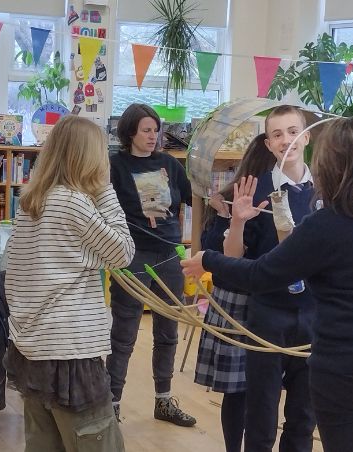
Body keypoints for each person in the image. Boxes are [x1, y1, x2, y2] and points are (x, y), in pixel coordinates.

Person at [182, 116, 353, 452]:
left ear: (330, 165)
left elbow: (262, 274)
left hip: (346, 374)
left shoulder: (325, 225)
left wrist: (208, 259)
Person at [3, 115, 133, 451]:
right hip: (71, 348)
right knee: (96, 441)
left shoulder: (33, 200)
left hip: (34, 346)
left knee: (44, 443)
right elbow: (122, 252)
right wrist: (104, 188)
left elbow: (13, 272)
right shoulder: (72, 202)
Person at [216, 105, 317, 452]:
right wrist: (238, 220)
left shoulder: (328, 190)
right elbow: (232, 258)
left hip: (315, 317)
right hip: (268, 315)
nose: (286, 140)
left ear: (307, 136)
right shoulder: (255, 190)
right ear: (269, 144)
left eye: (292, 131)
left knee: (303, 417)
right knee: (260, 419)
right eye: (277, 134)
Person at [106, 103, 196, 426]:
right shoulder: (114, 166)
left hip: (170, 254)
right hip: (132, 255)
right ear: (130, 132)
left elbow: (190, 198)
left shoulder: (170, 165)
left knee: (168, 330)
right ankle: (111, 404)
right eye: (146, 130)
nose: (153, 136)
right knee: (124, 333)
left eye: (155, 130)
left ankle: (163, 400)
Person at [194, 134, 273, 452]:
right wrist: (228, 219)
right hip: (239, 300)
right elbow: (214, 253)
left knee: (250, 390)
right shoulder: (233, 198)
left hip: (253, 299)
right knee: (241, 390)